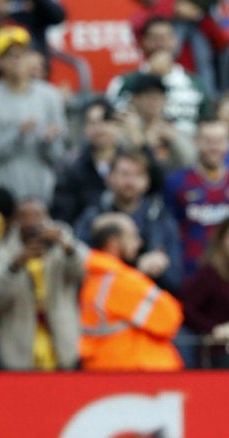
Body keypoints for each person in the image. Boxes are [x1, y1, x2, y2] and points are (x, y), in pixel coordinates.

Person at [79, 212, 183, 371]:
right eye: (132, 236)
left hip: (104, 366)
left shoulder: (93, 275)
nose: (139, 243)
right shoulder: (122, 281)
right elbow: (170, 319)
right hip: (136, 370)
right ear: (113, 242)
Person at [74, 149, 183, 295]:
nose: (130, 181)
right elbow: (79, 269)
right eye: (124, 174)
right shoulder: (93, 217)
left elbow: (176, 278)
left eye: (138, 175)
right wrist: (137, 269)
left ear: (147, 181)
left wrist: (159, 267)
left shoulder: (161, 217)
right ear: (110, 177)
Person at [0, 198, 88, 370]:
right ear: (15, 221)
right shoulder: (4, 252)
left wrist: (66, 246)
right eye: (24, 216)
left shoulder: (63, 243)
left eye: (38, 215)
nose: (32, 222)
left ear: (48, 217)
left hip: (62, 337)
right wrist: (16, 265)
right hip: (19, 341)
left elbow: (82, 271)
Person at [163, 117, 229, 277]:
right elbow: (167, 228)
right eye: (208, 141)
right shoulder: (176, 182)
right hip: (190, 271)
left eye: (220, 141)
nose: (214, 147)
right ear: (196, 142)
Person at [106, 16, 214, 137]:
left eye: (166, 37)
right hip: (142, 145)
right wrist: (150, 76)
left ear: (175, 41)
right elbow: (115, 119)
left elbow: (207, 121)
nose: (161, 43)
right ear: (143, 43)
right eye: (155, 38)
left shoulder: (194, 82)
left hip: (187, 146)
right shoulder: (125, 81)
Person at [0, 25, 67, 205]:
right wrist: (17, 133)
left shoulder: (49, 96)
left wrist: (49, 140)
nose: (17, 61)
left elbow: (59, 155)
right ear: (0, 61)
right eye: (10, 56)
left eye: (22, 54)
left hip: (43, 192)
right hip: (3, 195)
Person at [179, 212, 229, 369]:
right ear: (222, 239)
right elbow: (183, 308)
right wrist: (213, 328)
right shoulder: (211, 273)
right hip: (224, 353)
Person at [51, 98, 122, 225]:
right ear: (84, 128)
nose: (99, 128)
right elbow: (64, 214)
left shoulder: (131, 161)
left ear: (117, 125)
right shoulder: (72, 167)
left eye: (105, 121)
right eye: (92, 123)